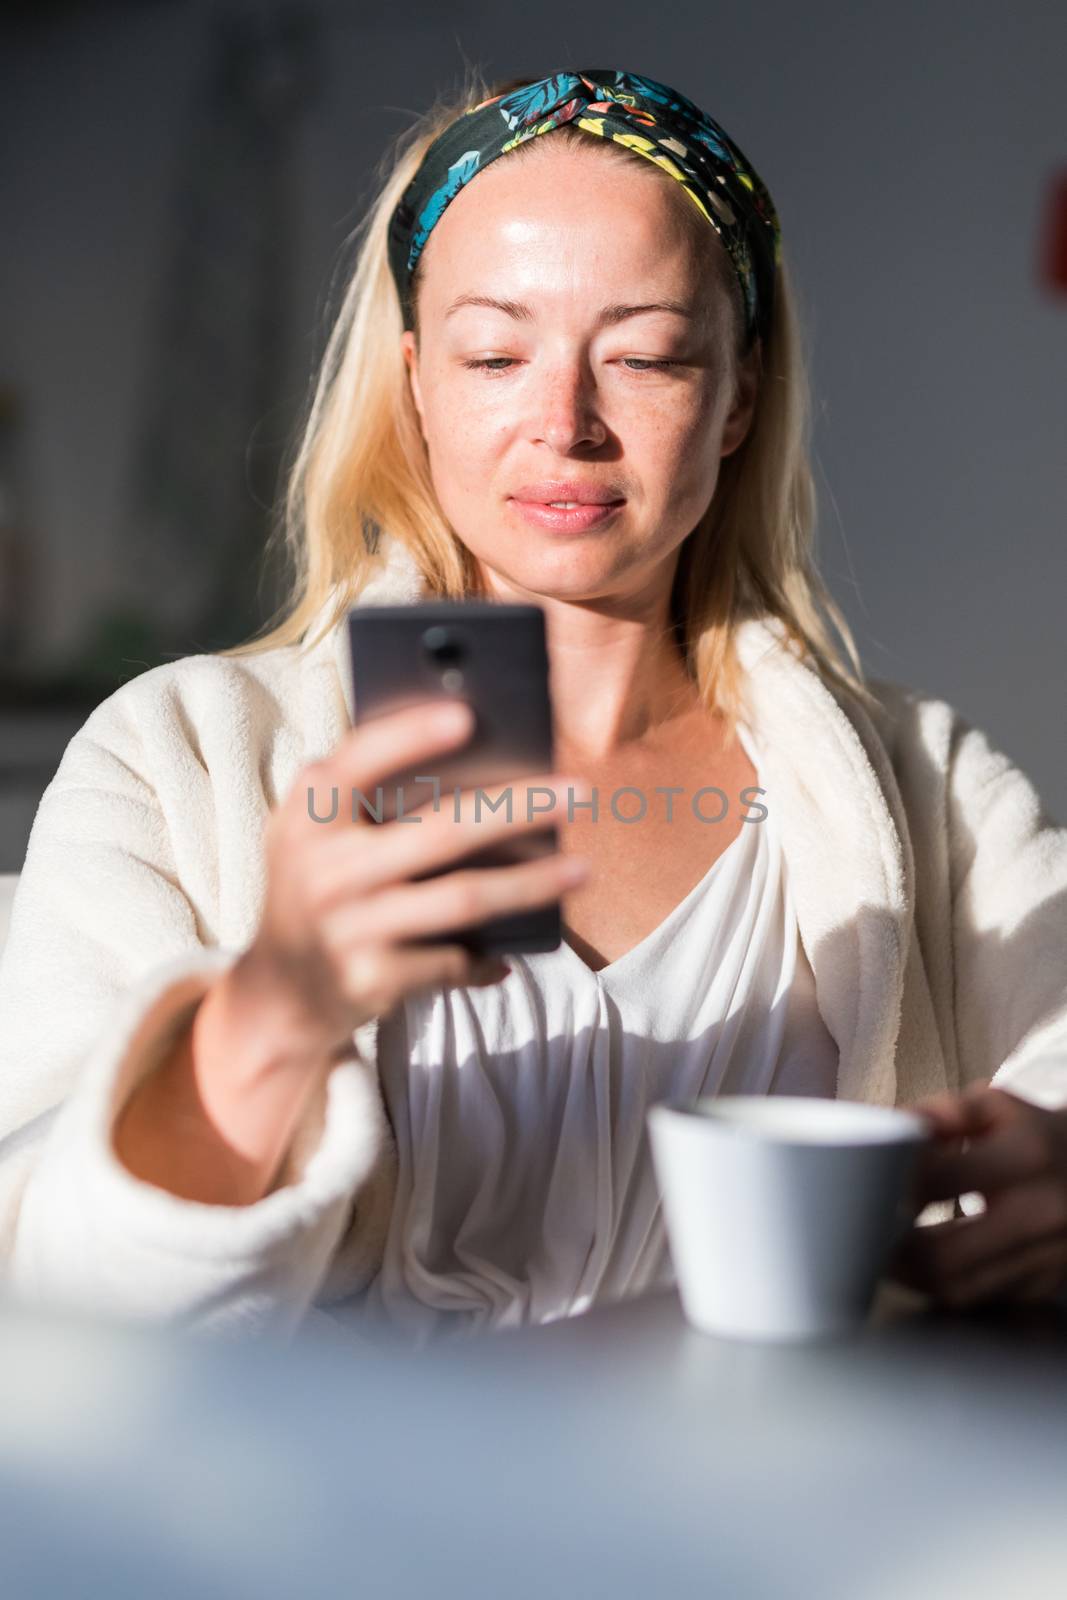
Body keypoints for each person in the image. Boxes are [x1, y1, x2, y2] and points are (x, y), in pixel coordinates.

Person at [2, 67, 1067, 1343]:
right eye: (496, 352)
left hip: (774, 1533)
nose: (563, 424)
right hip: (306, 1537)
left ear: (734, 397)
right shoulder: (179, 759)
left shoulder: (923, 784)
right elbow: (48, 1302)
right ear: (414, 384)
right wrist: (266, 1018)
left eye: (646, 356)